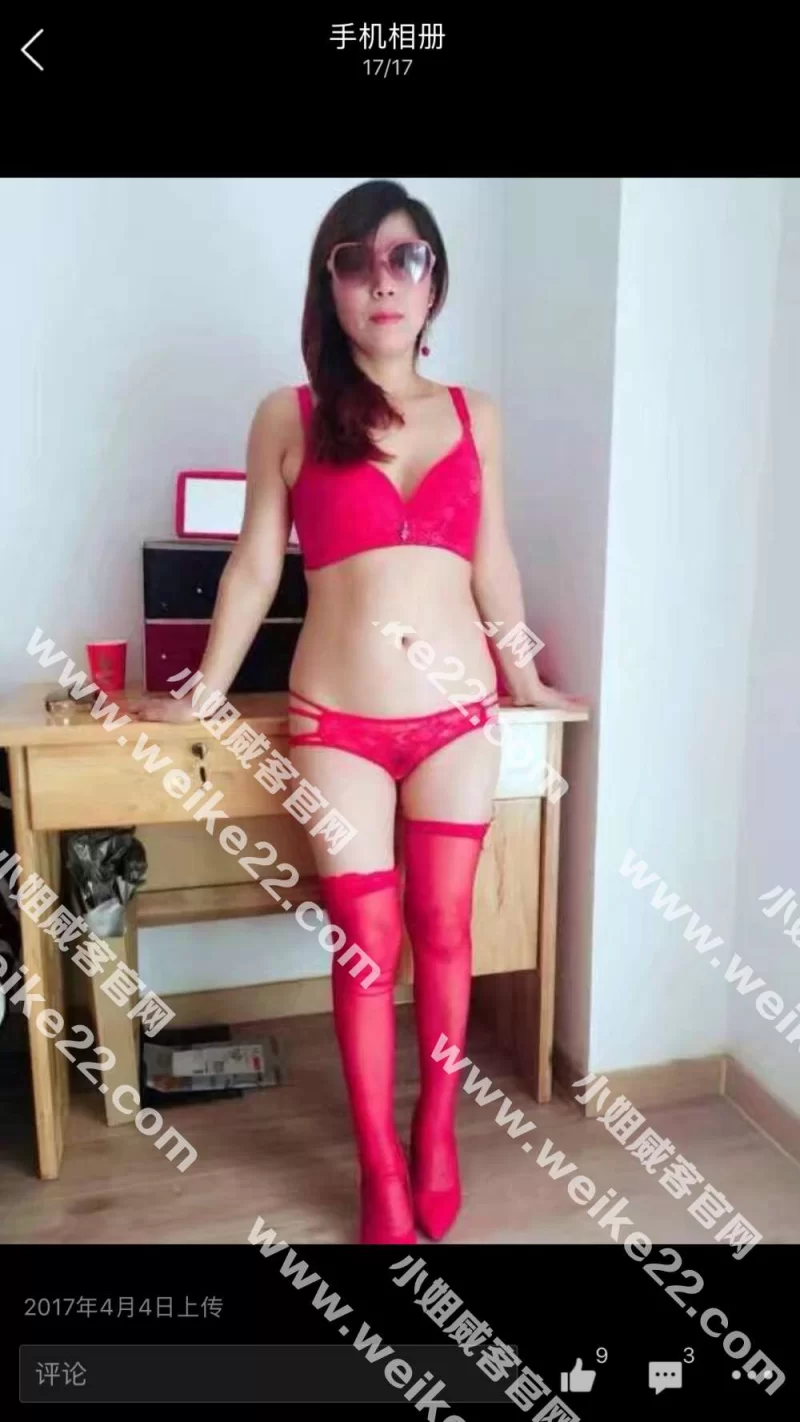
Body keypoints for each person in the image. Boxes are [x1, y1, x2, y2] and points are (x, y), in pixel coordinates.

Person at [129, 179, 585, 1244]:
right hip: (336, 723)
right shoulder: (287, 415)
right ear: (328, 286)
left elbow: (494, 564)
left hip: (458, 718)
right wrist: (203, 690)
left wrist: (522, 681)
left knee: (446, 928)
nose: (383, 280)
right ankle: (379, 1166)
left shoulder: (477, 416)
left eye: (405, 257)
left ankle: (436, 1131)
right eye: (356, 260)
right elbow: (253, 567)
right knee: (366, 939)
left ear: (433, 285)